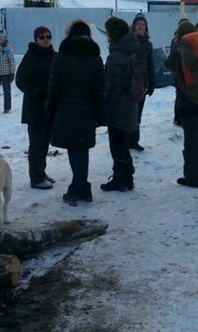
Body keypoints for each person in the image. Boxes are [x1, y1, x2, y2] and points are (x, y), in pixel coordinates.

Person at [46, 20, 105, 206]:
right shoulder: (95, 58)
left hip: (65, 109)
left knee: (74, 149)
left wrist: (50, 108)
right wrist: (101, 114)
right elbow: (99, 89)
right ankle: (83, 188)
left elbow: (54, 86)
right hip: (87, 110)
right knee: (82, 148)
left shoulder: (62, 56)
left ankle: (77, 188)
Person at [165, 20, 198, 188]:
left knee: (191, 141)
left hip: (187, 100)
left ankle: (192, 176)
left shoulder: (181, 50)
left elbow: (168, 65)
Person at [100, 16, 140, 192]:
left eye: (108, 32)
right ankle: (127, 177)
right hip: (129, 104)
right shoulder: (129, 51)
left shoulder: (116, 56)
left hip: (119, 107)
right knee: (122, 142)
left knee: (117, 144)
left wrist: (106, 105)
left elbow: (112, 86)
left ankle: (120, 178)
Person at [15, 26, 56, 190]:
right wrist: (37, 92)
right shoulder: (31, 57)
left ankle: (41, 171)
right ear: (36, 39)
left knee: (45, 142)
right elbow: (20, 80)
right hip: (35, 107)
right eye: (41, 37)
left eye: (48, 36)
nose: (45, 39)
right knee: (36, 143)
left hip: (49, 108)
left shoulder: (53, 56)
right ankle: (36, 177)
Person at [127, 12, 155, 151]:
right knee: (129, 111)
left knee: (138, 112)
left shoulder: (148, 45)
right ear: (134, 26)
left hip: (142, 81)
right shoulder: (129, 41)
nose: (141, 26)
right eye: (138, 24)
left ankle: (134, 140)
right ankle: (126, 139)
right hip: (130, 79)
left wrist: (152, 82)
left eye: (143, 24)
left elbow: (151, 63)